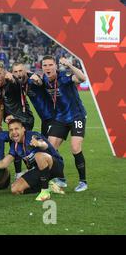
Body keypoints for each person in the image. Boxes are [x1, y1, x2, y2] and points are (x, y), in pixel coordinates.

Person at [0, 119, 65, 202]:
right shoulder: (15, 146)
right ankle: (49, 186)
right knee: (15, 189)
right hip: (39, 171)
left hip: (55, 165)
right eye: (11, 130)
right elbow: (3, 163)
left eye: (16, 129)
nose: (14, 132)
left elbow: (45, 145)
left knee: (38, 156)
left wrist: (39, 144)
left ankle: (45, 191)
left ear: (23, 129)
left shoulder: (32, 136)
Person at [40, 56, 88, 192]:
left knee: (75, 147)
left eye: (50, 65)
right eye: (45, 65)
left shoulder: (65, 77)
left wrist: (70, 65)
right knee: (51, 148)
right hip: (60, 118)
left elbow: (83, 78)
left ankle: (83, 182)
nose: (48, 68)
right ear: (42, 67)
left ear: (55, 66)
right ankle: (61, 179)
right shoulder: (43, 79)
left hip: (76, 116)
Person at [0, 62, 34, 179]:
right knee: (14, 145)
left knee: (21, 146)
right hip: (13, 121)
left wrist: (13, 78)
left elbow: (17, 83)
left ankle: (33, 171)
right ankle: (20, 173)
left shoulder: (11, 83)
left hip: (24, 120)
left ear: (4, 73)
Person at [11, 62, 54, 136]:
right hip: (44, 119)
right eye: (16, 72)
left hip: (53, 117)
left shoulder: (32, 79)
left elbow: (39, 82)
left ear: (25, 70)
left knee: (50, 144)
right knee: (46, 145)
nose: (18, 74)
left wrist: (38, 81)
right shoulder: (20, 82)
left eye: (20, 71)